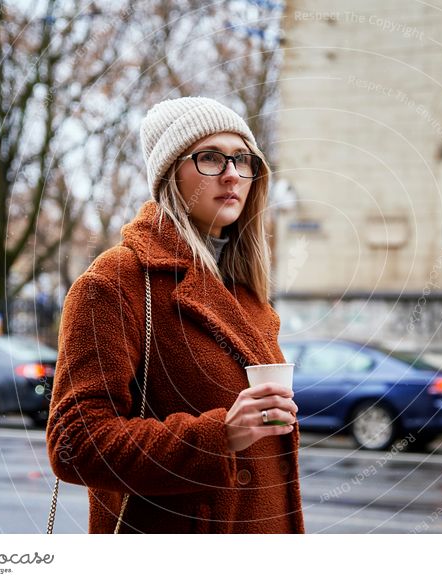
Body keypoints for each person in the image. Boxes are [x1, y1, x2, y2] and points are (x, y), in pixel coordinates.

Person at [46, 97, 305, 534]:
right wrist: (219, 436)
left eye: (243, 159)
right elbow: (74, 442)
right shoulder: (116, 280)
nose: (231, 173)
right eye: (209, 157)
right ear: (169, 175)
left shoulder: (245, 291)